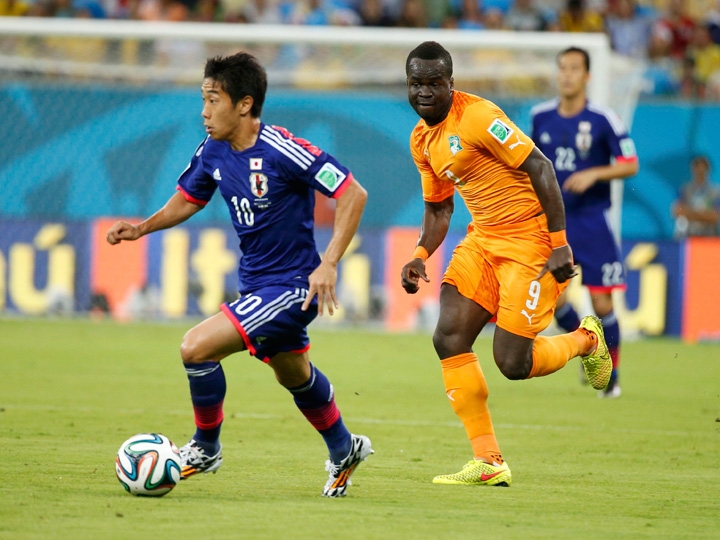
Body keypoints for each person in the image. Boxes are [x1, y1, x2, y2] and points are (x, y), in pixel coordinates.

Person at [106, 52, 372, 498]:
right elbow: (188, 198)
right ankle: (344, 447)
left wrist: (328, 263)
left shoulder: (284, 148)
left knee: (195, 347)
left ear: (244, 105)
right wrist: (142, 227)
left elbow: (353, 193)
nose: (204, 111)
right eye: (203, 99)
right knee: (293, 374)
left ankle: (206, 447)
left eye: (213, 99)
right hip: (257, 283)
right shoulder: (212, 150)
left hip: (293, 285)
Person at [401, 41, 611, 487]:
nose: (424, 91)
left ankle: (586, 340)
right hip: (483, 241)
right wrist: (420, 255)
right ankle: (489, 460)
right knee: (449, 336)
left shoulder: (477, 117)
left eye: (434, 83)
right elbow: (439, 210)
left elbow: (541, 167)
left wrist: (558, 244)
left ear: (450, 84)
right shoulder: (422, 140)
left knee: (512, 363)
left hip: (530, 241)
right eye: (416, 83)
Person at [531, 46, 639, 399]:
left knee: (603, 304)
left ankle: (611, 376)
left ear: (587, 75)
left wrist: (594, 173)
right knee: (555, 301)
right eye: (562, 67)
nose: (566, 74)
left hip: (592, 221)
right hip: (554, 223)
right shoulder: (540, 117)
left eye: (574, 68)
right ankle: (588, 346)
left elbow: (629, 163)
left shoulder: (603, 118)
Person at [672, 155, 720, 237]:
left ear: (708, 169)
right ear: (692, 169)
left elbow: (715, 216)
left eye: (703, 167)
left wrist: (689, 214)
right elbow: (677, 211)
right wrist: (704, 215)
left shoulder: (716, 191)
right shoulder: (684, 190)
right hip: (688, 236)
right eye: (697, 166)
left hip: (709, 238)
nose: (700, 170)